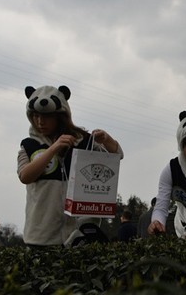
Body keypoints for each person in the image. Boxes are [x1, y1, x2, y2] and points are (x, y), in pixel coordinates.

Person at [17, 84, 123, 247]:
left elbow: (116, 156)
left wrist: (107, 140)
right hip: (40, 236)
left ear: (60, 116)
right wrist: (53, 149)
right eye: (35, 116)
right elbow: (25, 176)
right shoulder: (28, 145)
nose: (40, 121)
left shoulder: (83, 141)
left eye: (46, 116)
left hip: (78, 235)